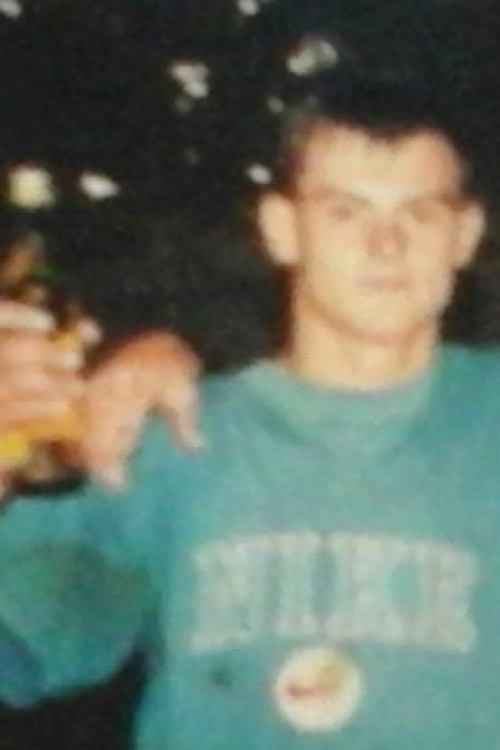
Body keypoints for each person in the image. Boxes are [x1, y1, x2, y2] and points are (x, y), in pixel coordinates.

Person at [0, 68, 497, 749]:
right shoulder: (165, 437)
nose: (386, 245)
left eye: (419, 213)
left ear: (465, 234)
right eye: (345, 211)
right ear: (282, 228)